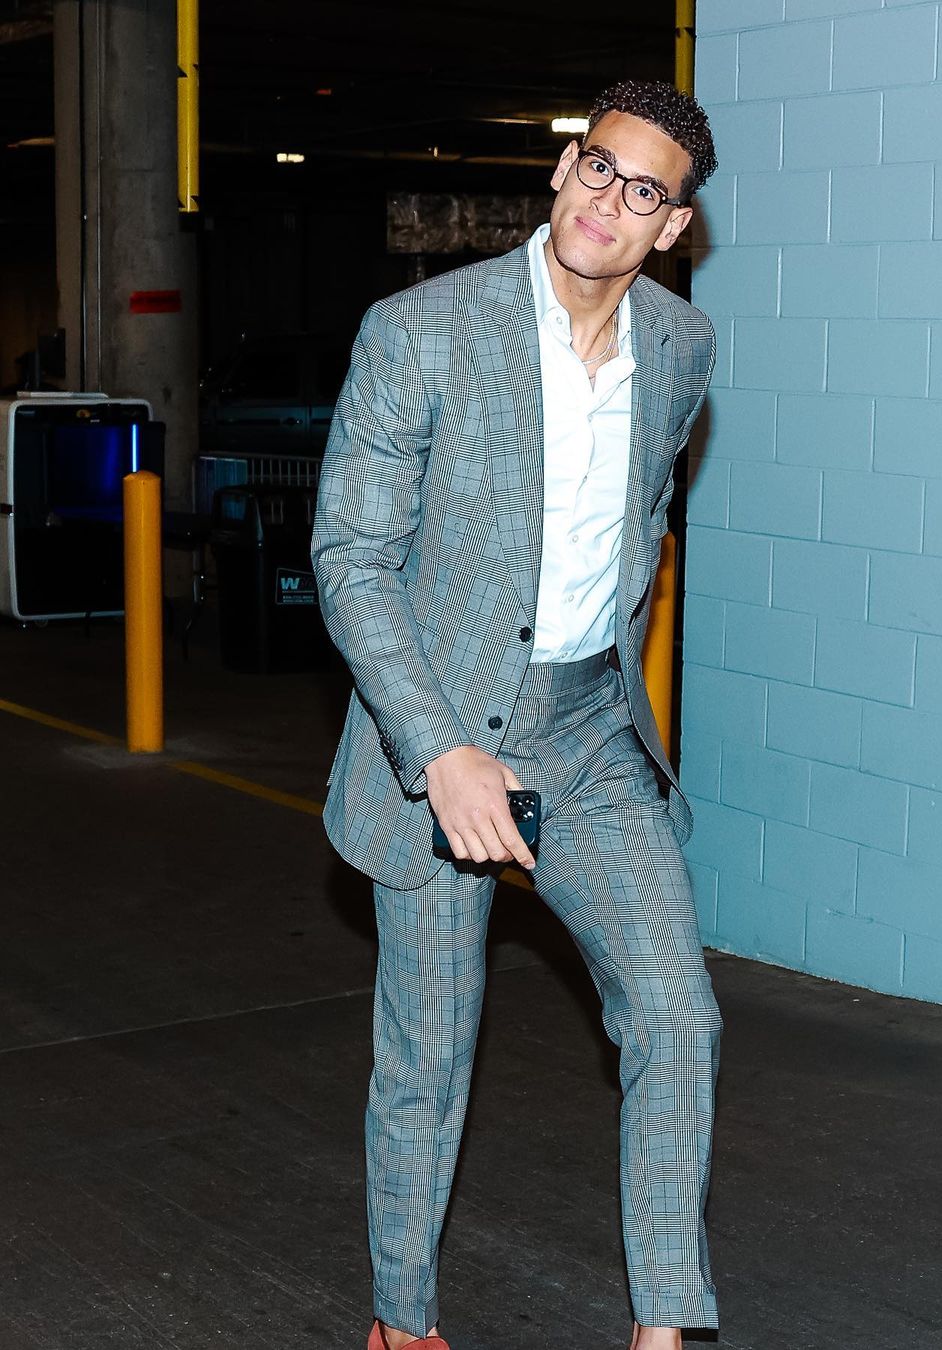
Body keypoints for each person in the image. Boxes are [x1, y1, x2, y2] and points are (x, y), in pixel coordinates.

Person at [312, 79, 722, 1350]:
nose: (610, 199)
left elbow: (640, 524)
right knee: (431, 1055)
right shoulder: (422, 332)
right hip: (439, 728)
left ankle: (666, 1330)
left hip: (591, 729)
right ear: (562, 169)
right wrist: (438, 749)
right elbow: (350, 558)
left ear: (672, 227)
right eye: (598, 165)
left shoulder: (682, 349)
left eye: (644, 190)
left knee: (677, 1016)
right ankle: (403, 1324)